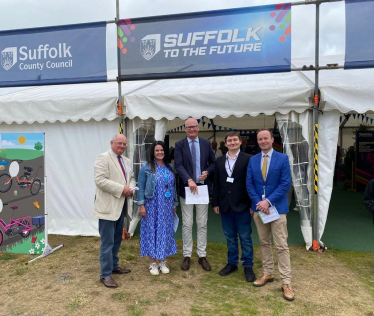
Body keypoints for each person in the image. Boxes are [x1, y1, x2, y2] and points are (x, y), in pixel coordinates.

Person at [246, 129, 294, 301]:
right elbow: (249, 184)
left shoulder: (283, 158)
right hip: (259, 210)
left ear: (272, 140)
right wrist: (259, 203)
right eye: (260, 139)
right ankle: (268, 273)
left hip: (277, 209)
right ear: (257, 142)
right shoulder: (253, 160)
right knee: (264, 243)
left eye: (266, 138)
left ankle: (286, 282)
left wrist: (269, 202)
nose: (263, 141)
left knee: (281, 245)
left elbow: (285, 184)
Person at [212, 132, 256, 282]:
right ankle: (232, 263)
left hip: (243, 205)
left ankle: (248, 265)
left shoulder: (249, 159)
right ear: (225, 144)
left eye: (234, 140)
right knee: (230, 237)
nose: (232, 142)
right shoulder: (219, 161)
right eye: (229, 140)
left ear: (240, 142)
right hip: (225, 205)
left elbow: (252, 183)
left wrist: (252, 204)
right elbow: (216, 183)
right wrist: (216, 202)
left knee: (245, 237)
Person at [94, 134, 135, 288]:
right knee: (107, 241)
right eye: (119, 143)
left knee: (117, 239)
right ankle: (105, 275)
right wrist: (122, 189)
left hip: (121, 206)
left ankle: (114, 266)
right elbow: (100, 180)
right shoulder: (103, 158)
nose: (122, 146)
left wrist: (130, 187)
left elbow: (131, 178)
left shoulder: (127, 161)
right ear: (111, 143)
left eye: (124, 144)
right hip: (108, 207)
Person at [174, 118, 216, 271]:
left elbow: (213, 163)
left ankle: (202, 255)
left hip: (202, 189)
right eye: (188, 127)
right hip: (187, 189)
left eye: (194, 127)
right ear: (185, 129)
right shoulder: (179, 145)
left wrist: (207, 172)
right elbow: (178, 165)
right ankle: (187, 255)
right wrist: (189, 179)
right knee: (187, 223)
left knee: (202, 222)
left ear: (198, 128)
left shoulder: (206, 143)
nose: (191, 129)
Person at [138, 141, 178, 275]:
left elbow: (173, 187)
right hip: (151, 205)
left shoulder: (170, 166)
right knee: (151, 231)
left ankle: (162, 260)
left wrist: (174, 203)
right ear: (153, 153)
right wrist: (141, 205)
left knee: (164, 231)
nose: (160, 152)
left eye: (162, 150)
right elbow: (141, 186)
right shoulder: (147, 167)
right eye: (157, 150)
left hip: (166, 206)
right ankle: (152, 263)